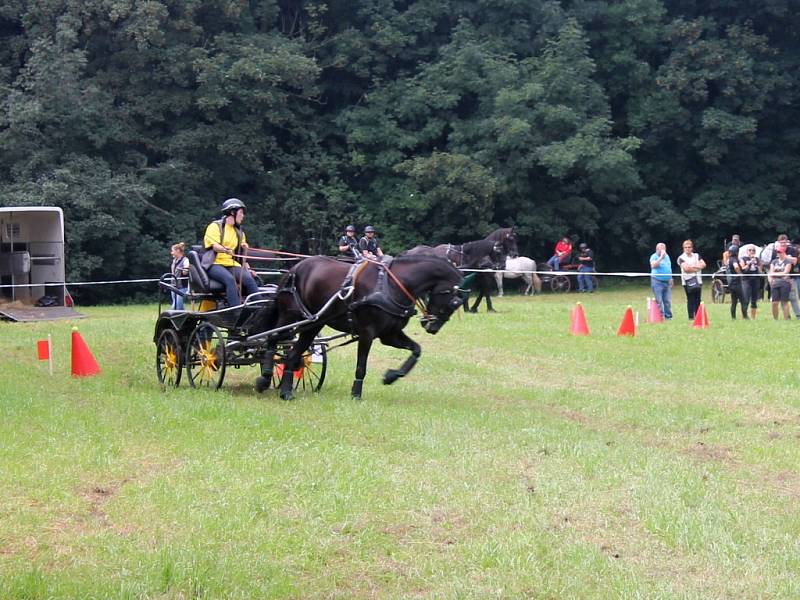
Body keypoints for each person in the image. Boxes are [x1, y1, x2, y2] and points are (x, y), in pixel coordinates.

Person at [203, 198, 260, 308]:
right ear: (232, 212)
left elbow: (241, 256)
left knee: (249, 279)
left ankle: (260, 309)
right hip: (214, 263)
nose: (243, 216)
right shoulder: (215, 227)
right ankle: (235, 309)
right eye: (241, 213)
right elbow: (214, 246)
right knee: (230, 280)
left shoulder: (239, 232)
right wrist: (225, 250)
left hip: (231, 264)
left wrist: (245, 251)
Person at [677, 239, 706, 319]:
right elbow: (686, 269)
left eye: (689, 247)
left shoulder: (697, 255)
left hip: (698, 281)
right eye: (685, 247)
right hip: (688, 282)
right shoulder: (681, 258)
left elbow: (703, 264)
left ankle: (698, 317)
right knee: (690, 300)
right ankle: (691, 317)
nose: (687, 249)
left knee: (698, 300)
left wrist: (692, 266)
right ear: (683, 248)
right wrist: (697, 267)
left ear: (692, 248)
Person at [769, 241, 793, 320]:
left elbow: (786, 272)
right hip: (775, 283)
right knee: (774, 303)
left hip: (785, 283)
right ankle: (775, 319)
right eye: (778, 252)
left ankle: (786, 318)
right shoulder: (774, 261)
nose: (779, 253)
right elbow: (771, 272)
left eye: (780, 252)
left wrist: (776, 274)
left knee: (784, 302)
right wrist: (780, 274)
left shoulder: (788, 261)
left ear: (784, 253)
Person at [649, 242, 673, 319]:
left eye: (664, 249)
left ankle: (668, 316)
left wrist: (670, 278)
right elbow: (653, 266)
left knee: (667, 300)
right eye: (661, 249)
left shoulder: (667, 256)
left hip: (667, 281)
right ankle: (659, 316)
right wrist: (661, 257)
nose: (663, 251)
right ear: (657, 249)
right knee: (658, 301)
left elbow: (669, 267)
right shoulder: (654, 256)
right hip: (657, 281)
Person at [739, 244, 761, 319]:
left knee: (754, 300)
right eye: (750, 250)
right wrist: (749, 263)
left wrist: (757, 265)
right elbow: (742, 269)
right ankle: (744, 316)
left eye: (753, 250)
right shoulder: (743, 259)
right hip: (746, 280)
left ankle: (753, 318)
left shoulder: (757, 259)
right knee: (746, 299)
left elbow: (760, 271)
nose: (752, 252)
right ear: (747, 251)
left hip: (755, 280)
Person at [726, 244, 747, 319]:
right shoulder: (734, 259)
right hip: (736, 283)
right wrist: (740, 274)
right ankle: (745, 316)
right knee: (743, 300)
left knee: (734, 301)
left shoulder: (729, 260)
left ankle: (733, 318)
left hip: (731, 283)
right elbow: (736, 267)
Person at [170, 242, 189, 310]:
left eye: (172, 251)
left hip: (182, 288)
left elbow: (185, 272)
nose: (171, 253)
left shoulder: (185, 260)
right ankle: (185, 319)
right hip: (173, 286)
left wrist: (185, 269)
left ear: (178, 251)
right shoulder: (174, 261)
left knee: (175, 307)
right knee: (180, 308)